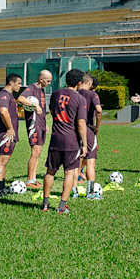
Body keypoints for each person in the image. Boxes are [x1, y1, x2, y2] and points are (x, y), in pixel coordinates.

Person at [41, 69, 88, 214]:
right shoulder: (80, 99)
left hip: (55, 139)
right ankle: (62, 206)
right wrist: (85, 144)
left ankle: (45, 204)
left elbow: (51, 110)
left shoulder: (55, 94)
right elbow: (81, 124)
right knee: (69, 173)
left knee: (50, 171)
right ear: (79, 82)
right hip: (71, 141)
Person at [0, 73, 26, 197]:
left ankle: (1, 187)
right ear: (11, 82)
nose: (20, 86)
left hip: (10, 133)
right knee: (2, 161)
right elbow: (3, 111)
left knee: (5, 161)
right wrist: (10, 128)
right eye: (18, 83)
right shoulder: (4, 95)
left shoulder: (10, 95)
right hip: (6, 133)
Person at [20, 70, 50, 189]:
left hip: (41, 124)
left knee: (38, 152)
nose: (49, 83)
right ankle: (29, 180)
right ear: (41, 79)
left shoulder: (42, 90)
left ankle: (33, 178)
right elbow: (21, 99)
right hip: (34, 124)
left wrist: (45, 123)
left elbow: (42, 109)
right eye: (48, 81)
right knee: (35, 152)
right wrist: (34, 105)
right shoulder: (32, 88)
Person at [78, 73, 103, 199]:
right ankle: (91, 192)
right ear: (89, 83)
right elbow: (99, 110)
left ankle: (74, 189)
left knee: (77, 157)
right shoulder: (92, 94)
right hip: (87, 128)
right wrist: (97, 127)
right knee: (91, 161)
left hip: (73, 129)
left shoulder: (74, 93)